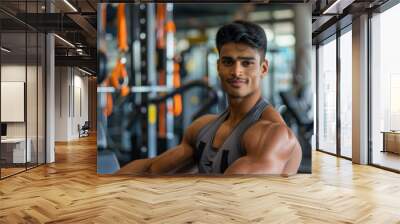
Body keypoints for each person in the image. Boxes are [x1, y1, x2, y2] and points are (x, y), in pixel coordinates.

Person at [117, 20, 302, 176]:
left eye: (247, 63)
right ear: (218, 66)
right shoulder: (202, 128)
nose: (236, 71)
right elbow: (151, 170)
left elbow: (232, 197)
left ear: (263, 68)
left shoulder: (274, 135)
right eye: (228, 62)